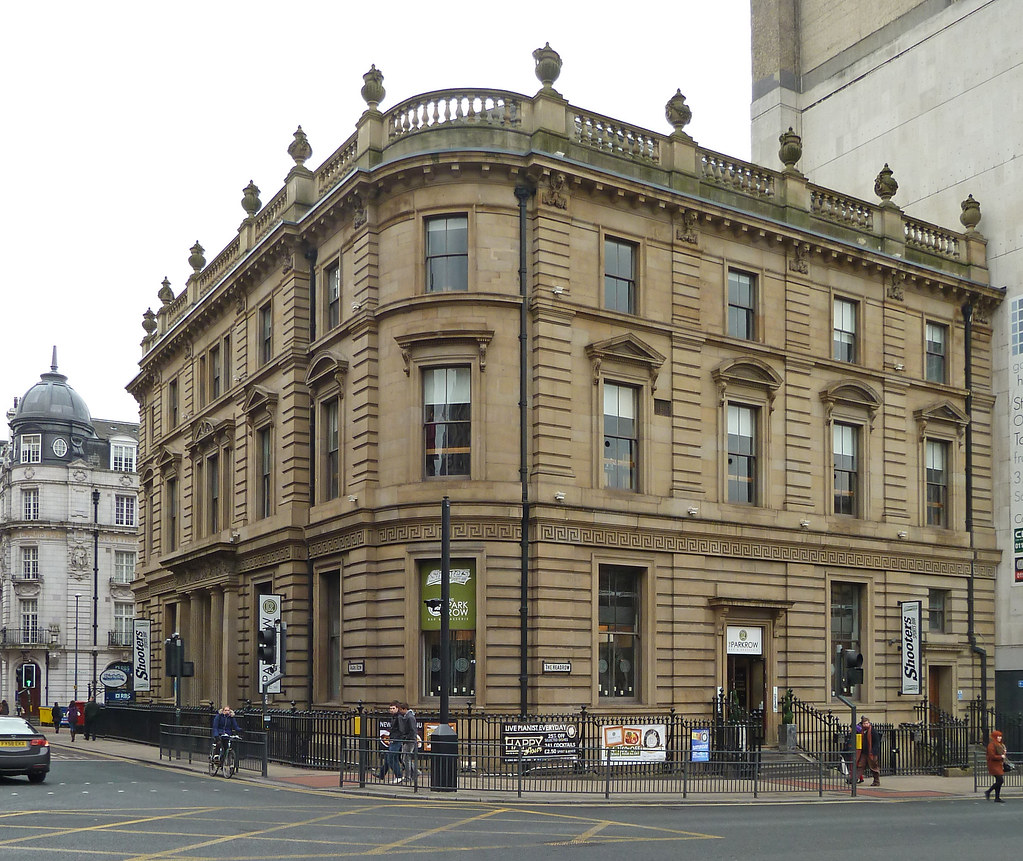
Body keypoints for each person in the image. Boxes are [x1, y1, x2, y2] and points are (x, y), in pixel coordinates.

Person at [376, 701, 403, 783]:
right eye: (390, 708)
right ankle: (381, 774)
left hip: (396, 740)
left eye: (393, 708)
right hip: (393, 739)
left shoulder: (399, 717)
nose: (391, 710)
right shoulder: (394, 717)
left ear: (397, 708)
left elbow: (401, 729)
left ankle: (399, 776)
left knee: (391, 757)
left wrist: (396, 738)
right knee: (390, 757)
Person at [395, 702, 419, 783]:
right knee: (405, 758)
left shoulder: (410, 717)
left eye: (401, 710)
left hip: (409, 740)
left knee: (406, 758)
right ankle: (415, 772)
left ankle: (409, 776)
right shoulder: (408, 716)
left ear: (405, 709)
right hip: (409, 739)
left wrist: (406, 738)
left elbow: (413, 730)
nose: (400, 712)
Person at [855, 716, 882, 786]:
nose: (866, 725)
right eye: (864, 723)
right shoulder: (862, 731)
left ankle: (876, 781)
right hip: (864, 752)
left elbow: (876, 742)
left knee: (873, 767)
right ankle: (854, 779)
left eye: (867, 723)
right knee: (860, 765)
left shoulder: (873, 731)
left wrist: (874, 751)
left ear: (869, 723)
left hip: (871, 752)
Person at [985, 729, 1008, 803]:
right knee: (1000, 780)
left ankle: (997, 797)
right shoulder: (991, 745)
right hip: (993, 765)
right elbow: (992, 756)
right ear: (995, 737)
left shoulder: (1000, 745)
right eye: (998, 736)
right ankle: (988, 791)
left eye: (1000, 736)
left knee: (999, 781)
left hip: (999, 765)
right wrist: (1001, 756)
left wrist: (1003, 753)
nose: (1000, 738)